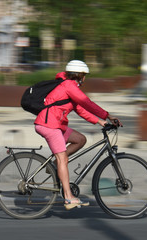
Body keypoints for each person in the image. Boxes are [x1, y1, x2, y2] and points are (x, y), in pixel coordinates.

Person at [34, 60, 122, 210]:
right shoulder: (68, 85)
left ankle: (56, 164)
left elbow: (80, 109)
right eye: (84, 75)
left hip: (57, 125)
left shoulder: (68, 86)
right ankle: (68, 198)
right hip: (49, 125)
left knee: (80, 140)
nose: (85, 79)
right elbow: (86, 102)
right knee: (63, 158)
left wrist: (99, 121)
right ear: (79, 75)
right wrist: (107, 115)